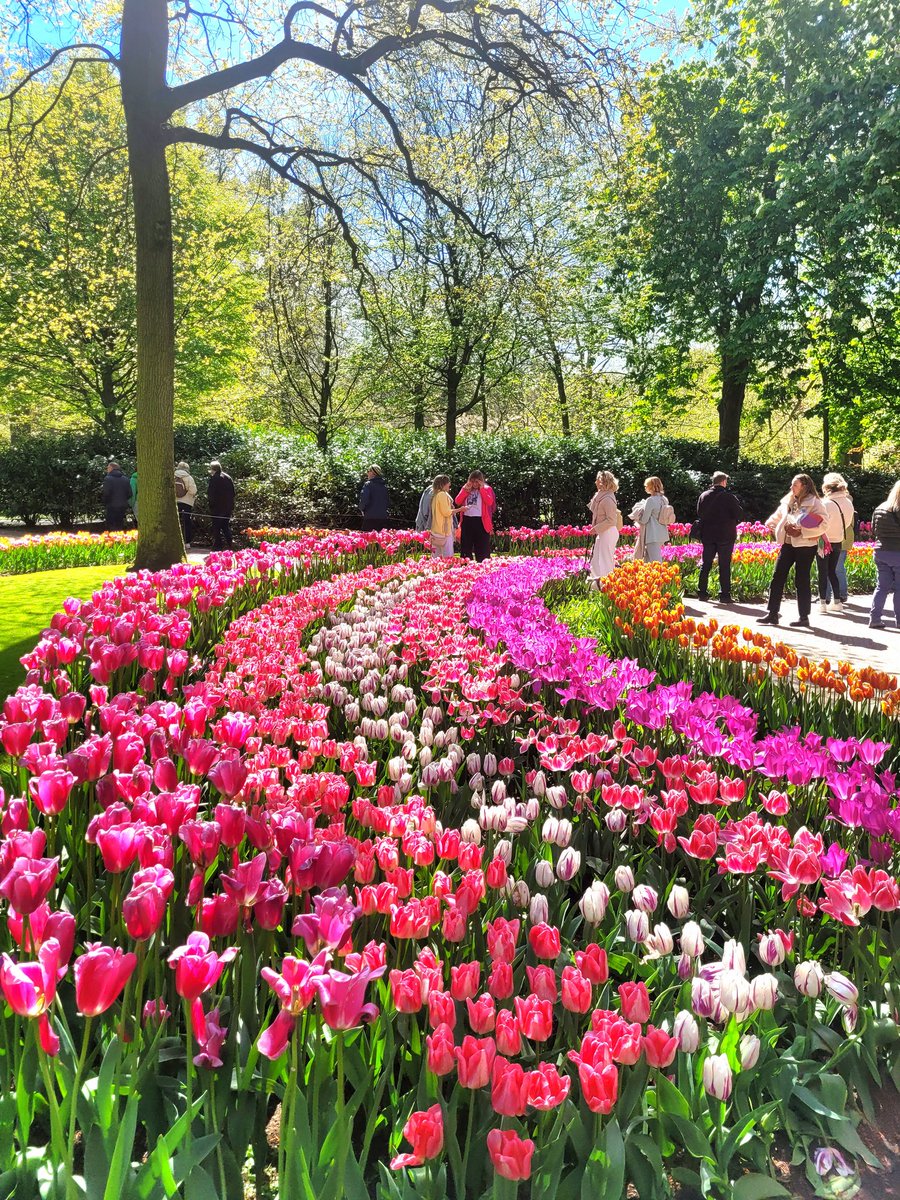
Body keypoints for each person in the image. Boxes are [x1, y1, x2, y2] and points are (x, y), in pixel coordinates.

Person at [758, 474, 826, 628]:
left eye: (795, 485)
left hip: (806, 546)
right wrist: (770, 526)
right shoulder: (788, 500)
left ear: (805, 486)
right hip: (788, 543)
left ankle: (803, 617)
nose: (791, 487)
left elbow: (824, 525)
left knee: (801, 580)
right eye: (792, 485)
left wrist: (801, 531)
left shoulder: (815, 503)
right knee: (777, 576)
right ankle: (772, 614)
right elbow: (776, 517)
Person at [696, 470, 744, 603]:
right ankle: (724, 595)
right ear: (723, 482)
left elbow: (700, 513)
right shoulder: (728, 497)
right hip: (725, 535)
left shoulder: (703, 495)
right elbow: (739, 514)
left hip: (708, 534)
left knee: (706, 563)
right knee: (724, 564)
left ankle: (702, 593)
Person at [817, 473, 854, 613]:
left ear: (827, 488)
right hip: (838, 540)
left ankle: (822, 604)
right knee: (833, 571)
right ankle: (837, 602)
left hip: (823, 541)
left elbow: (820, 524)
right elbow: (847, 523)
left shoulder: (825, 504)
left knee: (822, 571)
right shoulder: (848, 502)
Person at [868, 481, 900, 630]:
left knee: (882, 587)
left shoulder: (881, 508)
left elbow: (874, 529)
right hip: (898, 552)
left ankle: (875, 618)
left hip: (881, 551)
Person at [587, 470, 621, 585]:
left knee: (605, 559)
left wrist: (596, 528)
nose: (595, 482)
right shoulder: (602, 496)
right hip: (603, 532)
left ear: (602, 482)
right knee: (596, 559)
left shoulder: (607, 498)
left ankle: (608, 584)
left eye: (597, 479)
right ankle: (596, 583)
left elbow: (611, 520)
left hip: (608, 532)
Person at [456, 470, 496, 562]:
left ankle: (483, 565)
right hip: (467, 520)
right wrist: (465, 490)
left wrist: (481, 489)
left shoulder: (487, 488)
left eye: (476, 481)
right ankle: (465, 565)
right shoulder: (466, 488)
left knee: (482, 547)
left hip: (481, 521)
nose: (474, 484)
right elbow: (457, 501)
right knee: (466, 546)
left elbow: (489, 502)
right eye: (472, 481)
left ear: (481, 481)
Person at [630, 476, 672, 563]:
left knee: (655, 562)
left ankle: (661, 576)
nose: (645, 487)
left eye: (646, 486)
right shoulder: (664, 499)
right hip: (661, 533)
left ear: (651, 487)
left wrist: (637, 515)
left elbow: (644, 520)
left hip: (651, 534)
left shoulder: (650, 500)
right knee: (648, 561)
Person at [429, 475, 463, 558]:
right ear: (443, 484)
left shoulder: (435, 495)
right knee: (448, 557)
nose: (449, 485)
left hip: (435, 530)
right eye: (448, 483)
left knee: (435, 558)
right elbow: (446, 513)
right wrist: (461, 509)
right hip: (444, 531)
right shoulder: (442, 494)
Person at [207, 460, 235, 550]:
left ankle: (218, 546)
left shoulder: (214, 478)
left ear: (212, 469)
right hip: (228, 507)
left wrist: (211, 505)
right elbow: (233, 493)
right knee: (225, 526)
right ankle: (230, 543)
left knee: (216, 527)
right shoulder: (228, 477)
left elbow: (211, 494)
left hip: (217, 508)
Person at [101, 461, 131, 531]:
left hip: (111, 506)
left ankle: (113, 540)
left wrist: (105, 502)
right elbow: (130, 493)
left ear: (111, 468)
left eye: (108, 468)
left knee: (111, 525)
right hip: (122, 505)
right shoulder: (126, 479)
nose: (107, 469)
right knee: (119, 524)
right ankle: (120, 539)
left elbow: (106, 493)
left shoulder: (108, 479)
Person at [174, 461, 198, 547]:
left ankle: (175, 542)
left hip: (175, 502)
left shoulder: (173, 475)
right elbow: (193, 491)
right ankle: (187, 542)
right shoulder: (189, 478)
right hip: (187, 503)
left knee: (176, 522)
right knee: (187, 522)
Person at [359, 465, 389, 531]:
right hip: (382, 518)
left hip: (370, 517)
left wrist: (362, 509)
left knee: (367, 539)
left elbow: (364, 500)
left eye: (368, 471)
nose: (367, 473)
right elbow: (387, 502)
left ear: (373, 473)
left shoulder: (368, 485)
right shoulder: (384, 486)